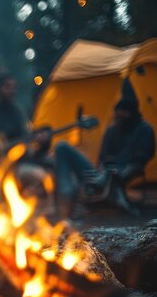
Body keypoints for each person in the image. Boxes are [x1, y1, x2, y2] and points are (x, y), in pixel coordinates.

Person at [54, 78, 155, 218]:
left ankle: (99, 190)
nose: (117, 117)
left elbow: (142, 158)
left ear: (130, 113)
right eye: (117, 114)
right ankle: (67, 195)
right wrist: (103, 168)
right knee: (62, 147)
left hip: (123, 171)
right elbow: (103, 156)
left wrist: (122, 171)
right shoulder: (113, 130)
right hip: (101, 174)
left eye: (121, 114)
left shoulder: (144, 130)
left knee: (108, 175)